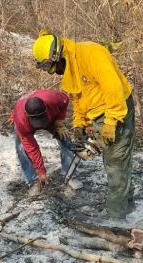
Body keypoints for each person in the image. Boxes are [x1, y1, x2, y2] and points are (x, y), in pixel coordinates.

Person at [32, 29, 134, 219]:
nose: (54, 73)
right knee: (113, 162)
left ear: (57, 55)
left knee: (115, 163)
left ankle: (116, 216)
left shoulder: (91, 54)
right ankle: (126, 204)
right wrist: (79, 125)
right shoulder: (70, 67)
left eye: (51, 67)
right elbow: (78, 98)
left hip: (117, 109)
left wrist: (110, 123)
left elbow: (114, 89)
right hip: (97, 113)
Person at [11, 89, 82, 196]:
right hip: (22, 119)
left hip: (50, 117)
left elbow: (65, 100)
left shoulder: (53, 99)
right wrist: (41, 171)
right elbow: (32, 148)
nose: (40, 125)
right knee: (21, 148)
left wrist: (59, 121)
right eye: (37, 121)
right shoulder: (21, 122)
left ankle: (69, 174)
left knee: (65, 139)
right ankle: (32, 180)